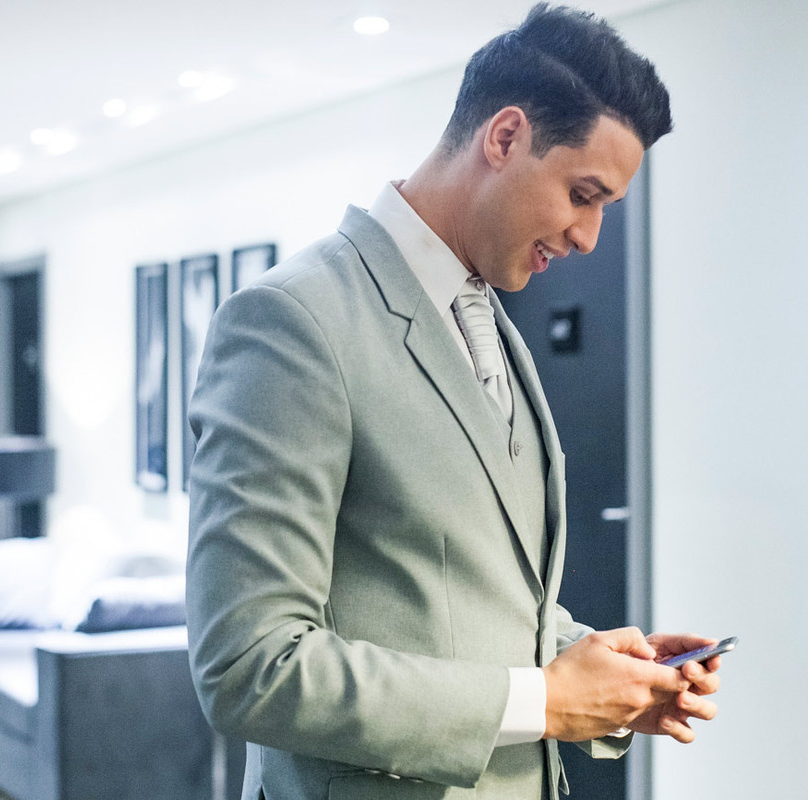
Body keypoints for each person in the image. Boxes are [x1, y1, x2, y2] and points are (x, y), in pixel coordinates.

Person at [186, 4, 723, 798]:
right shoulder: (292, 323)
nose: (589, 237)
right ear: (504, 138)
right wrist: (548, 700)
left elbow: (461, 600)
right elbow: (250, 664)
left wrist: (603, 677)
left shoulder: (491, 322)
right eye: (583, 194)